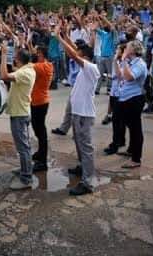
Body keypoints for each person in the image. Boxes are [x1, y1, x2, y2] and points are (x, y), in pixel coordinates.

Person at [56, 21, 100, 195]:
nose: (75, 53)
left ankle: (87, 182)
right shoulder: (86, 68)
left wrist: (58, 38)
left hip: (84, 114)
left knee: (86, 146)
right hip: (77, 112)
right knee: (79, 143)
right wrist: (65, 34)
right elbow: (74, 50)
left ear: (85, 56)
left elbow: (74, 54)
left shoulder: (91, 68)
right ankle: (83, 167)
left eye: (79, 52)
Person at [0, 41, 36, 190]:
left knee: (23, 147)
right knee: (23, 145)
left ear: (19, 59)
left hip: (20, 114)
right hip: (21, 111)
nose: (13, 58)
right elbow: (13, 71)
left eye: (14, 56)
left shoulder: (25, 73)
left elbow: (4, 75)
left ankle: (26, 178)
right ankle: (24, 169)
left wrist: (3, 55)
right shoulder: (27, 69)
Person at [114, 39, 147, 168]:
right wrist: (116, 60)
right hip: (124, 97)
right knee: (126, 124)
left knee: (135, 129)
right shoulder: (128, 62)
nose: (125, 49)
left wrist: (123, 60)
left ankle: (136, 159)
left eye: (127, 47)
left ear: (133, 50)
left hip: (134, 98)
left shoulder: (140, 64)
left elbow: (129, 77)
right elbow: (119, 76)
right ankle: (131, 150)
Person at [29, 45, 53, 173]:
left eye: (38, 53)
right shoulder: (47, 64)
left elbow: (26, 66)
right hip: (39, 101)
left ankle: (42, 162)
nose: (36, 55)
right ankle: (40, 153)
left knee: (40, 131)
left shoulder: (41, 66)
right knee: (38, 129)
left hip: (39, 103)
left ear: (42, 54)